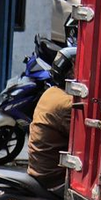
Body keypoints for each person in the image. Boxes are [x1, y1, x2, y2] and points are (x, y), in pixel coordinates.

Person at [27, 46, 76, 189]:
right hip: (54, 178)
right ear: (71, 74)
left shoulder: (51, 92)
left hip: (38, 170)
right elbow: (84, 142)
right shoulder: (67, 104)